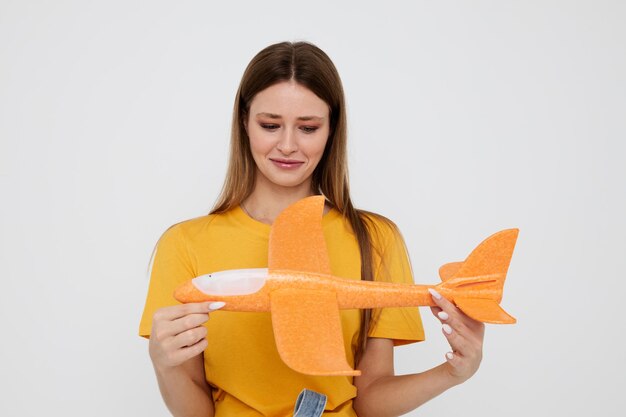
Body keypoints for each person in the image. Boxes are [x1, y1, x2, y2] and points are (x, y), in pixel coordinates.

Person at [139, 41, 485, 417]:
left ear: (332, 129)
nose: (287, 145)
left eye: (308, 127)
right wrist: (163, 362)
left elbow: (370, 399)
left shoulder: (376, 239)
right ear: (244, 121)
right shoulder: (185, 244)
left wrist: (453, 372)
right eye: (270, 125)